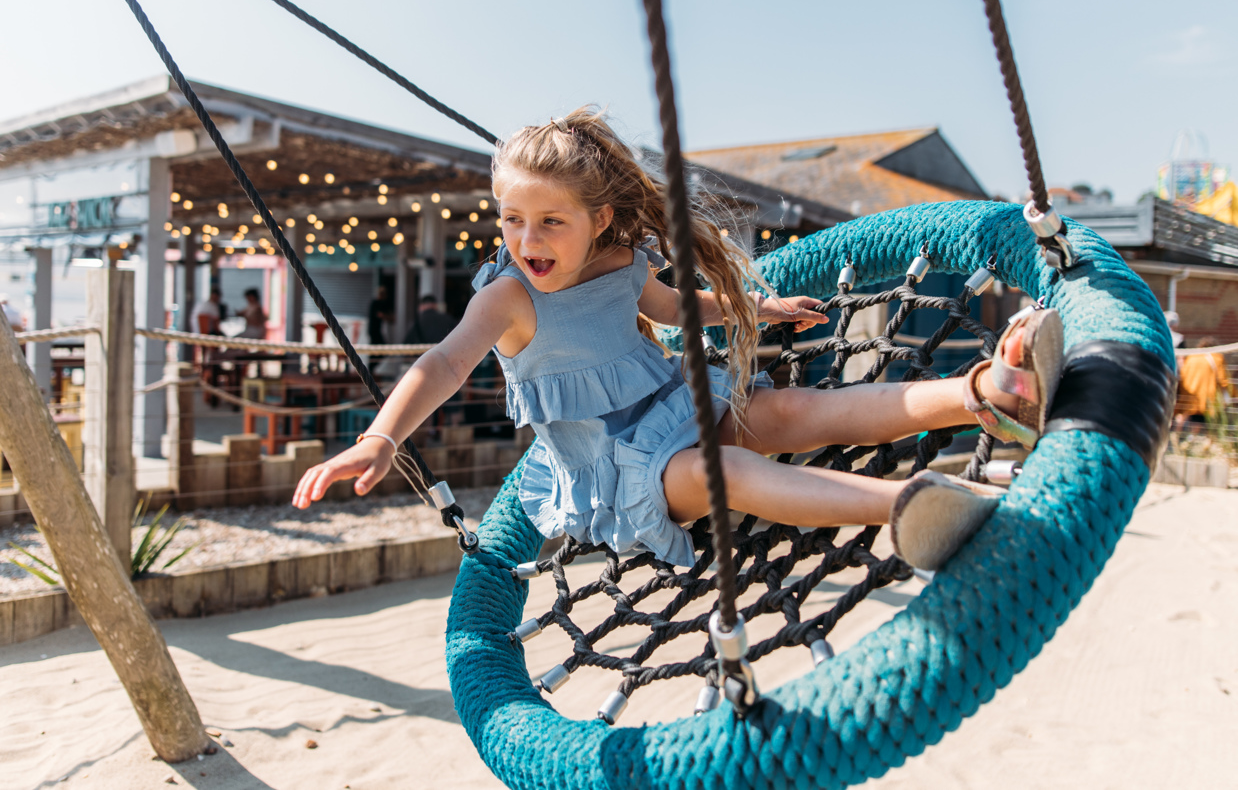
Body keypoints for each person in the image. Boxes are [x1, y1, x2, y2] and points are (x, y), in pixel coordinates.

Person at [292, 107, 1063, 572]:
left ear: (598, 219)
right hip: (625, 475)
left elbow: (679, 309)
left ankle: (986, 395)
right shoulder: (507, 297)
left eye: (549, 220)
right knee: (725, 468)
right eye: (510, 219)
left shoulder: (622, 259)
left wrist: (758, 310)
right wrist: (383, 438)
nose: (527, 238)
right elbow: (444, 360)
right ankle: (911, 506)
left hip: (677, 409)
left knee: (789, 411)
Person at [1175, 336, 1233, 428]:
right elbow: (1223, 379)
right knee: (1208, 422)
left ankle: (1179, 435)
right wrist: (1232, 393)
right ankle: (1205, 439)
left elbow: (1183, 374)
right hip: (1208, 397)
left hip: (1190, 395)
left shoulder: (1192, 357)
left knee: (1189, 418)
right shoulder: (1217, 357)